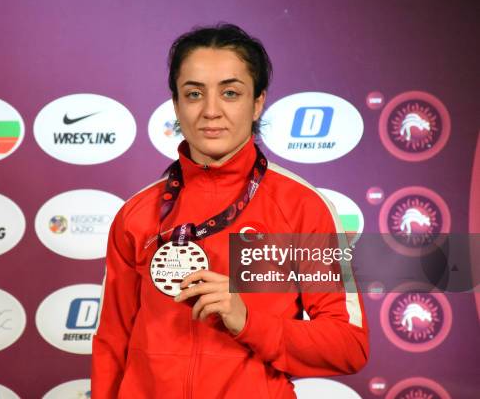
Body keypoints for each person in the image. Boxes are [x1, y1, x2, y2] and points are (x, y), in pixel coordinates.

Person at [92, 23, 369, 398]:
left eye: (230, 93)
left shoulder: (302, 208)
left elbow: (348, 346)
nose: (210, 111)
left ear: (257, 103)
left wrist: (247, 319)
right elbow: (112, 342)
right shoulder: (137, 213)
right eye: (193, 94)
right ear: (175, 104)